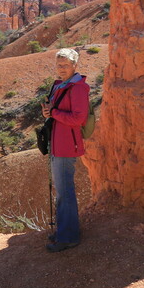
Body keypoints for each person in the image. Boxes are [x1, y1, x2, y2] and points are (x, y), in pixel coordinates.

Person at [41, 48, 90, 252]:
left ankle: (68, 236)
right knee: (61, 191)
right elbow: (56, 112)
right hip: (57, 142)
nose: (61, 69)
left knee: (65, 192)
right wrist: (48, 112)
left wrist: (54, 112)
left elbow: (78, 118)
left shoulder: (78, 88)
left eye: (65, 65)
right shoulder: (60, 85)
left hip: (67, 145)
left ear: (74, 66)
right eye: (59, 65)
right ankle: (63, 231)